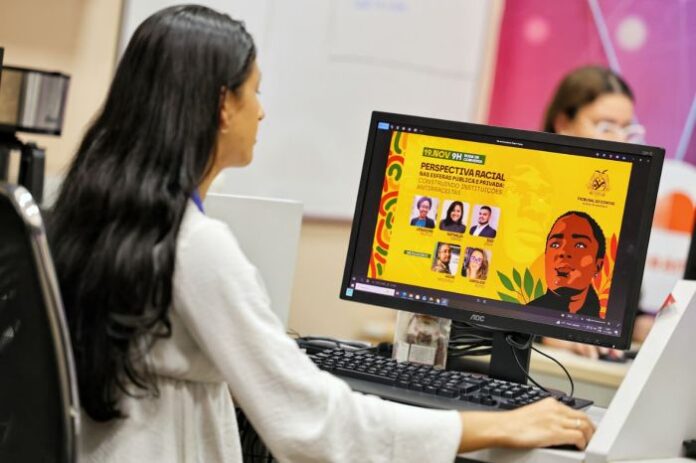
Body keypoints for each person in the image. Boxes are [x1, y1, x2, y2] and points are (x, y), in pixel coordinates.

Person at [47, 6, 595, 461]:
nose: (262, 113)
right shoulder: (196, 247)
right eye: (255, 92)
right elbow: (311, 423)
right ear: (222, 106)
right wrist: (494, 425)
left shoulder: (96, 218)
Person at [541, 65, 652, 358]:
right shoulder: (528, 191)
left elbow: (616, 300)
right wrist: (540, 333)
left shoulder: (621, 202)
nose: (620, 139)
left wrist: (639, 323)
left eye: (627, 129)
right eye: (606, 126)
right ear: (563, 123)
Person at [530, 211, 605, 317]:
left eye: (580, 245)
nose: (563, 252)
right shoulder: (526, 313)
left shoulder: (602, 321)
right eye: (555, 245)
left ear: (598, 266)